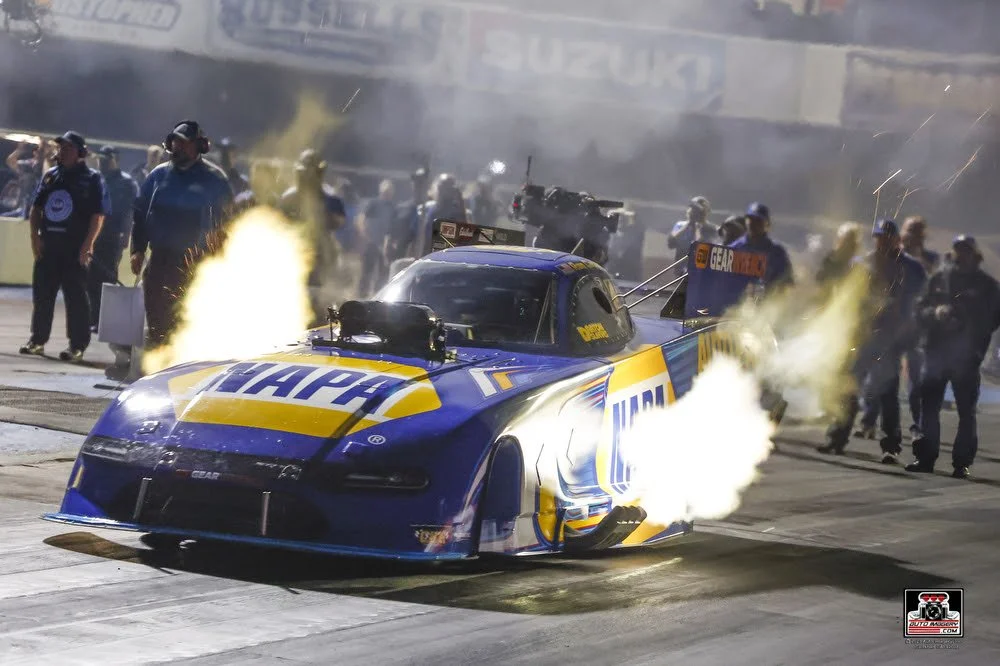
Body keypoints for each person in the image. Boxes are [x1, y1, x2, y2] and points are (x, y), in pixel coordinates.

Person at [819, 219, 926, 461]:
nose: (882, 243)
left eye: (886, 238)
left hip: (890, 339)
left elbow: (919, 302)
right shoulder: (862, 264)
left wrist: (905, 330)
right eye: (879, 238)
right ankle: (836, 437)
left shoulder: (911, 268)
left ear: (896, 240)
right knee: (849, 386)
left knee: (887, 392)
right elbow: (847, 298)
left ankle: (890, 446)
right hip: (862, 336)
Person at [131, 120, 234, 347]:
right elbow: (141, 213)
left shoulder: (215, 179)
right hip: (160, 258)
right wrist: (137, 249)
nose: (179, 148)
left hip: (195, 262)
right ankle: (158, 356)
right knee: (156, 314)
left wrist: (219, 261)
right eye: (176, 142)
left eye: (185, 143)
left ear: (200, 146)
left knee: (187, 318)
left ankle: (183, 358)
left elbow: (227, 222)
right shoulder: (158, 176)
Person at [908, 236, 1000, 479]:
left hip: (966, 358)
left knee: (966, 413)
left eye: (966, 251)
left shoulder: (987, 286)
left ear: (975, 255)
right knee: (928, 407)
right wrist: (935, 313)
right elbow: (919, 309)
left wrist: (971, 333)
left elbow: (993, 319)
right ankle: (925, 457)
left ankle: (962, 462)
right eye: (958, 250)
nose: (961, 255)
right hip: (935, 353)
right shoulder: (939, 279)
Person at [19, 131, 109, 362]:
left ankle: (77, 346)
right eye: (61, 148)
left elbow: (98, 215)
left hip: (75, 250)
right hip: (49, 247)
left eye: (68, 148)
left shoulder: (92, 178)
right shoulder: (50, 176)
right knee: (42, 296)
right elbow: (36, 209)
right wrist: (35, 237)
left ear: (81, 153)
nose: (63, 152)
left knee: (76, 299)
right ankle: (37, 340)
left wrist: (87, 245)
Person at [279, 149, 346, 318]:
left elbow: (339, 222)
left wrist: (321, 214)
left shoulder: (330, 199)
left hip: (322, 258)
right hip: (294, 256)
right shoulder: (289, 199)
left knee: (321, 305)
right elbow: (279, 226)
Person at [86, 146, 139, 331]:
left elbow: (131, 211)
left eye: (106, 159)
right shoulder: (95, 178)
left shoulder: (127, 182)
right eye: (100, 159)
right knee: (90, 278)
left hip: (112, 236)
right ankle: (93, 318)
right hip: (93, 235)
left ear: (115, 159)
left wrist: (126, 235)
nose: (102, 162)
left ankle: (104, 320)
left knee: (107, 278)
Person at [727, 202, 794, 288]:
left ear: (767, 224)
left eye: (758, 221)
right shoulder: (735, 248)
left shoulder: (777, 251)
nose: (753, 224)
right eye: (750, 219)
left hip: (769, 295)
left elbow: (788, 282)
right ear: (746, 221)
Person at [357, 179, 397, 297]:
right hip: (371, 241)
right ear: (381, 191)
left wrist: (390, 241)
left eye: (389, 192)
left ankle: (377, 294)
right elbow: (362, 218)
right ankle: (361, 293)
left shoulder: (392, 207)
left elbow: (393, 226)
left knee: (382, 271)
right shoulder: (373, 204)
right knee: (367, 270)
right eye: (385, 191)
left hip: (384, 243)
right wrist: (364, 234)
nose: (387, 194)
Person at [412, 174, 467, 258]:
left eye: (446, 188)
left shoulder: (456, 211)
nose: (441, 191)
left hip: (448, 255)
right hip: (429, 254)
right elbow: (425, 237)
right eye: (440, 187)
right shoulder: (430, 209)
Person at [667, 196, 716, 275]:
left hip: (699, 273)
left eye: (697, 212)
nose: (693, 213)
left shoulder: (711, 229)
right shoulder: (680, 225)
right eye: (692, 209)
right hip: (680, 272)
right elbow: (671, 244)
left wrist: (698, 229)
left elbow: (702, 249)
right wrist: (685, 227)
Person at [391, 166, 430, 260]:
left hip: (425, 259)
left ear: (428, 184)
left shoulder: (433, 209)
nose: (418, 184)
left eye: (421, 181)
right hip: (401, 257)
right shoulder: (401, 208)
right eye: (416, 181)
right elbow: (391, 233)